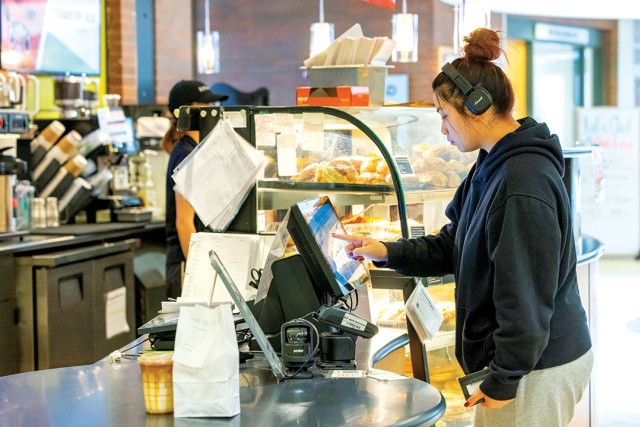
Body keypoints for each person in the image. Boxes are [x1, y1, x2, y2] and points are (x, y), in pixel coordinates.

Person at [334, 28, 593, 427]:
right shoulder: (492, 166)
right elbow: (454, 243)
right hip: (520, 364)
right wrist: (386, 251)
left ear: (477, 106)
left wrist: (505, 377)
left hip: (537, 369)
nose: (442, 129)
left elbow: (524, 295)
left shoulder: (522, 183)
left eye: (443, 115)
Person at [163, 80, 228, 299]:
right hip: (185, 265)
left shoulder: (195, 150)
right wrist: (200, 273)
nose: (213, 110)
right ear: (188, 111)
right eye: (206, 105)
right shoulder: (186, 154)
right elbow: (183, 222)